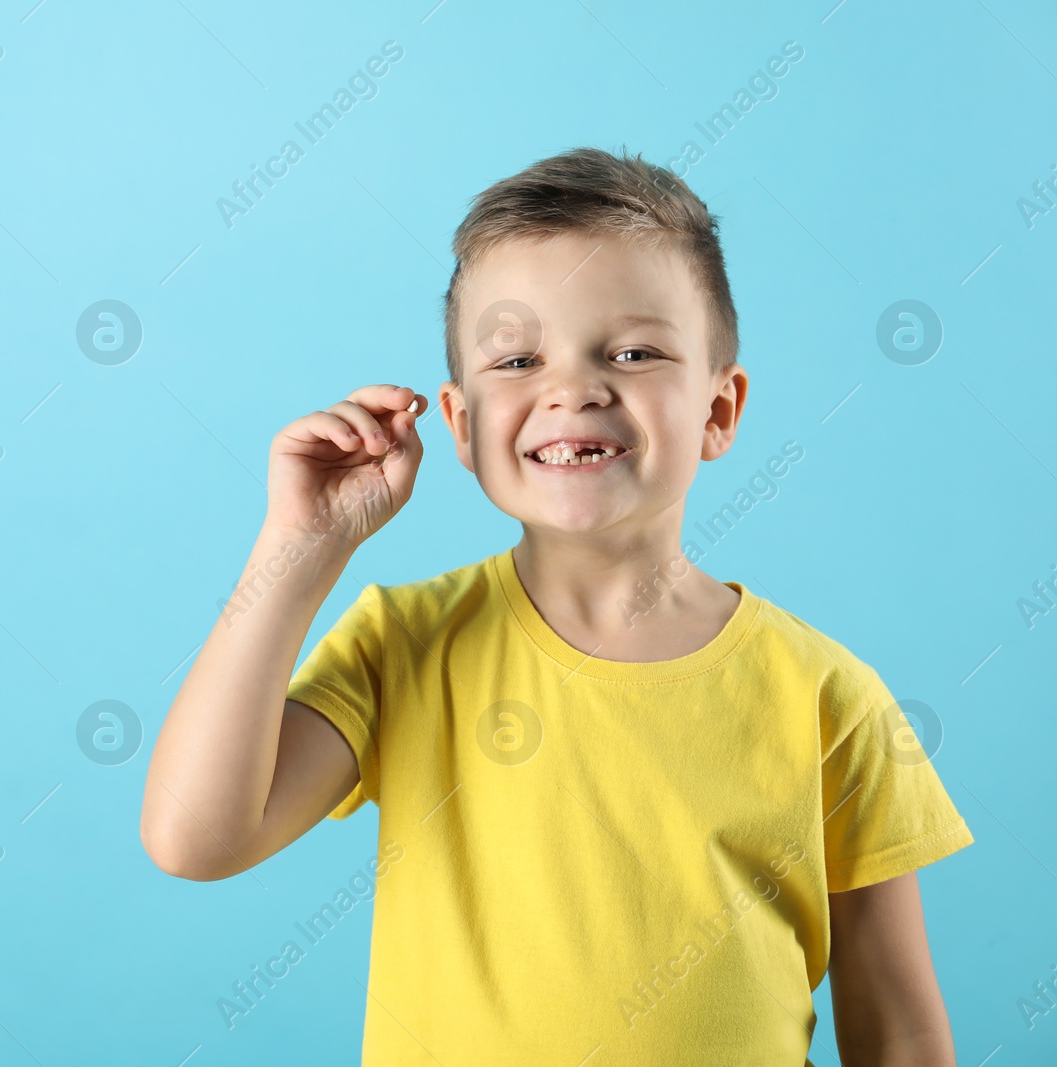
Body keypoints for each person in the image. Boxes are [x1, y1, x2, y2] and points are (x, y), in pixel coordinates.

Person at [140, 145, 974, 1065]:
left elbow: (896, 1025)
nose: (572, 388)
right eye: (520, 357)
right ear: (459, 425)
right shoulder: (404, 646)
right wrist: (298, 551)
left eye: (632, 350)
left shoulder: (830, 693)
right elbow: (194, 837)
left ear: (719, 410)